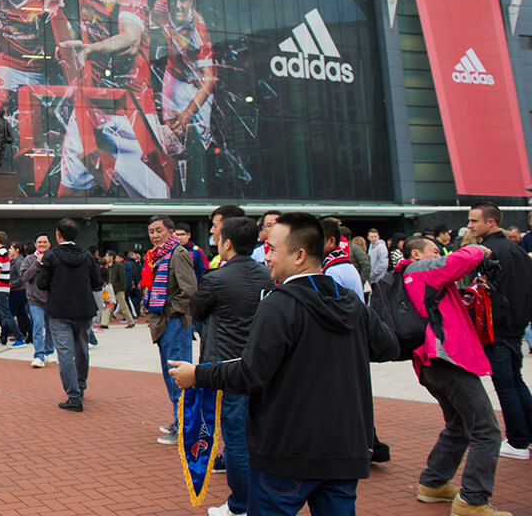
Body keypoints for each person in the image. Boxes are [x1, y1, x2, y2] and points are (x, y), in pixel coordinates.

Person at [170, 212, 399, 516]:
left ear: (300, 255)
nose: (266, 255)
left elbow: (252, 372)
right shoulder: (349, 301)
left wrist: (197, 375)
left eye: (273, 249)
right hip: (344, 449)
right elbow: (388, 346)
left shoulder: (280, 303)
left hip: (287, 450)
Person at [43, 0, 168, 199]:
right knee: (69, 195)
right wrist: (52, 4)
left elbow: (130, 40)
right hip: (90, 105)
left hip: (130, 109)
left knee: (156, 207)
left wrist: (87, 50)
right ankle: (63, 244)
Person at [397, 236, 509, 516]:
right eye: (435, 251)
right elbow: (460, 260)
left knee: (458, 426)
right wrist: (480, 249)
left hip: (434, 362)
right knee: (487, 430)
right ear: (415, 253)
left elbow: (449, 311)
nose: (440, 255)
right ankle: (472, 500)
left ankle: (433, 483)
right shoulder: (419, 270)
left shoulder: (422, 280)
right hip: (448, 360)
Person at [189, 215, 273, 516]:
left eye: (217, 235)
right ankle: (257, 499)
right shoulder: (266, 275)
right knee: (257, 436)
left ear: (227, 243)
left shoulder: (216, 278)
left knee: (236, 440)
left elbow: (196, 309)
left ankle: (240, 505)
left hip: (228, 368)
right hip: (261, 365)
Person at [468, 202, 532, 461]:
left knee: (506, 384)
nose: (470, 225)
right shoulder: (515, 249)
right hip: (515, 325)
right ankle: (524, 437)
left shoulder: (488, 251)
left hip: (499, 328)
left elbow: (485, 295)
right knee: (515, 381)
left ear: (490, 222)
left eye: (474, 221)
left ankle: (517, 441)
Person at [36, 218, 102, 411]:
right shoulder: (87, 256)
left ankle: (73, 396)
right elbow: (97, 282)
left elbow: (41, 283)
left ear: (58, 234)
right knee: (82, 349)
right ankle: (80, 387)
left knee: (65, 353)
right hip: (83, 310)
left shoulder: (51, 256)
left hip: (59, 310)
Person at [149, 0, 217, 148]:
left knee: (198, 144)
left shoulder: (199, 33)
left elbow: (209, 80)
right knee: (172, 139)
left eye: (183, 0)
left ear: (191, 1)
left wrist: (188, 112)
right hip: (174, 79)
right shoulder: (160, 8)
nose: (178, 6)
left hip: (198, 87)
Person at [145, 215, 197, 442]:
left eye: (159, 231)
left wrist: (170, 310)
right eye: (151, 232)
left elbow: (189, 291)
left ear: (170, 231)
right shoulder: (157, 256)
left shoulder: (178, 254)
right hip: (163, 322)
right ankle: (179, 420)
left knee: (179, 375)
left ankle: (185, 427)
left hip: (174, 321)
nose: (155, 236)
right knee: (170, 374)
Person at [21, 232, 56, 367]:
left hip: (51, 299)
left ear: (49, 244)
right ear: (36, 245)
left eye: (44, 242)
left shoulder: (54, 258)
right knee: (37, 326)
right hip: (35, 300)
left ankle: (49, 352)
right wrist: (37, 263)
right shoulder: (29, 259)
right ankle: (39, 355)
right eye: (39, 242)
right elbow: (24, 277)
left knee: (51, 328)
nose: (42, 244)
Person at [320, 219, 365, 303]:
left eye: (318, 240)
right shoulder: (340, 261)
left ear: (331, 241)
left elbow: (333, 307)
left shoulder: (333, 269)